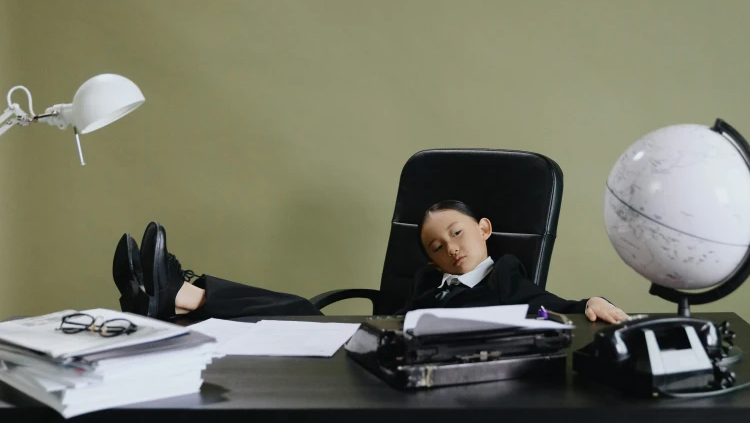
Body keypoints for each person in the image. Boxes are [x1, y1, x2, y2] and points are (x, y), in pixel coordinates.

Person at [112, 201, 628, 323]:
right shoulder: (431, 280)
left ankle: (176, 296)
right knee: (302, 313)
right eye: (436, 246)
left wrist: (590, 302)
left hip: (430, 367)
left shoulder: (507, 274)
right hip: (385, 345)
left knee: (302, 318)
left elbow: (547, 305)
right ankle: (171, 296)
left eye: (458, 233)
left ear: (484, 230)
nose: (450, 248)